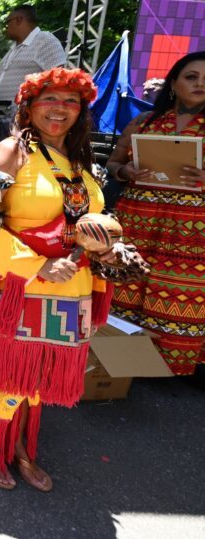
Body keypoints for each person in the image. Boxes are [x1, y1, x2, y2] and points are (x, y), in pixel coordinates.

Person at [0, 67, 115, 491]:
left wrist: (109, 246)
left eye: (70, 101)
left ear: (82, 111)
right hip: (23, 282)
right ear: (28, 106)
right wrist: (37, 265)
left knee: (40, 381)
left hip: (74, 287)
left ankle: (21, 446)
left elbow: (87, 220)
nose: (59, 109)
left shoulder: (83, 160)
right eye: (50, 99)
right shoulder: (13, 151)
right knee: (13, 380)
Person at [107, 51, 205, 375]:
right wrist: (126, 172)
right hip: (137, 220)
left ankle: (167, 368)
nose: (200, 84)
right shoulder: (143, 122)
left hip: (190, 233)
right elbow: (113, 163)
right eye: (192, 77)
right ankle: (121, 360)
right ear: (174, 83)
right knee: (126, 285)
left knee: (181, 291)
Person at [0, 6, 66, 102]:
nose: (6, 28)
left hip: (27, 114)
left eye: (7, 23)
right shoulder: (15, 47)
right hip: (5, 114)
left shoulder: (45, 40)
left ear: (18, 20)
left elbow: (58, 77)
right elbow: (8, 73)